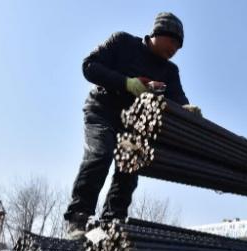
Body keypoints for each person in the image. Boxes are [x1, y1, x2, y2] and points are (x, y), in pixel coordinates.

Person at [63, 12, 199, 238]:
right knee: (101, 153)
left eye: (179, 46)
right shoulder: (122, 42)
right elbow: (89, 66)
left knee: (130, 168)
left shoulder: (170, 71)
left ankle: (112, 221)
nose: (175, 48)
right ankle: (79, 216)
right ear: (157, 33)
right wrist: (127, 83)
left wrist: (187, 110)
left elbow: (178, 98)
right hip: (102, 111)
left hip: (131, 124)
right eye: (172, 41)